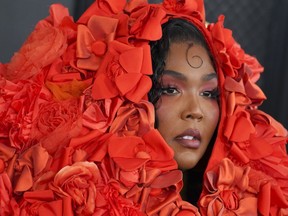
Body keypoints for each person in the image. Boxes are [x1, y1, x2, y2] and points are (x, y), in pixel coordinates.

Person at [0, 0, 287, 215]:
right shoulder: (85, 202)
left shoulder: (256, 199)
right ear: (128, 103)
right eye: (170, 89)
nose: (195, 110)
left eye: (209, 93)